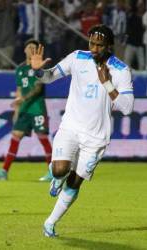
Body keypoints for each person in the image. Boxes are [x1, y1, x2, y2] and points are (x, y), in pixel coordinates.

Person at [29, 24, 134, 237]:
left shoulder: (121, 70)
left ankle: (50, 223)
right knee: (60, 170)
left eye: (99, 45)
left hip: (96, 137)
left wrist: (108, 85)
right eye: (92, 43)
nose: (94, 49)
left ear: (109, 46)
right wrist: (38, 70)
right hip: (71, 127)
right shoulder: (77, 58)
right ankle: (55, 174)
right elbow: (48, 77)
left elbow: (127, 108)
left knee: (75, 181)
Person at [0, 39, 52, 181]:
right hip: (24, 110)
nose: (31, 50)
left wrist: (23, 99)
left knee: (43, 139)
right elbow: (19, 90)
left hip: (37, 109)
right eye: (29, 47)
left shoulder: (39, 69)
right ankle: (4, 171)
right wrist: (17, 110)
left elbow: (38, 88)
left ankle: (53, 172)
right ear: (24, 50)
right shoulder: (20, 69)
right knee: (15, 136)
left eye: (34, 48)